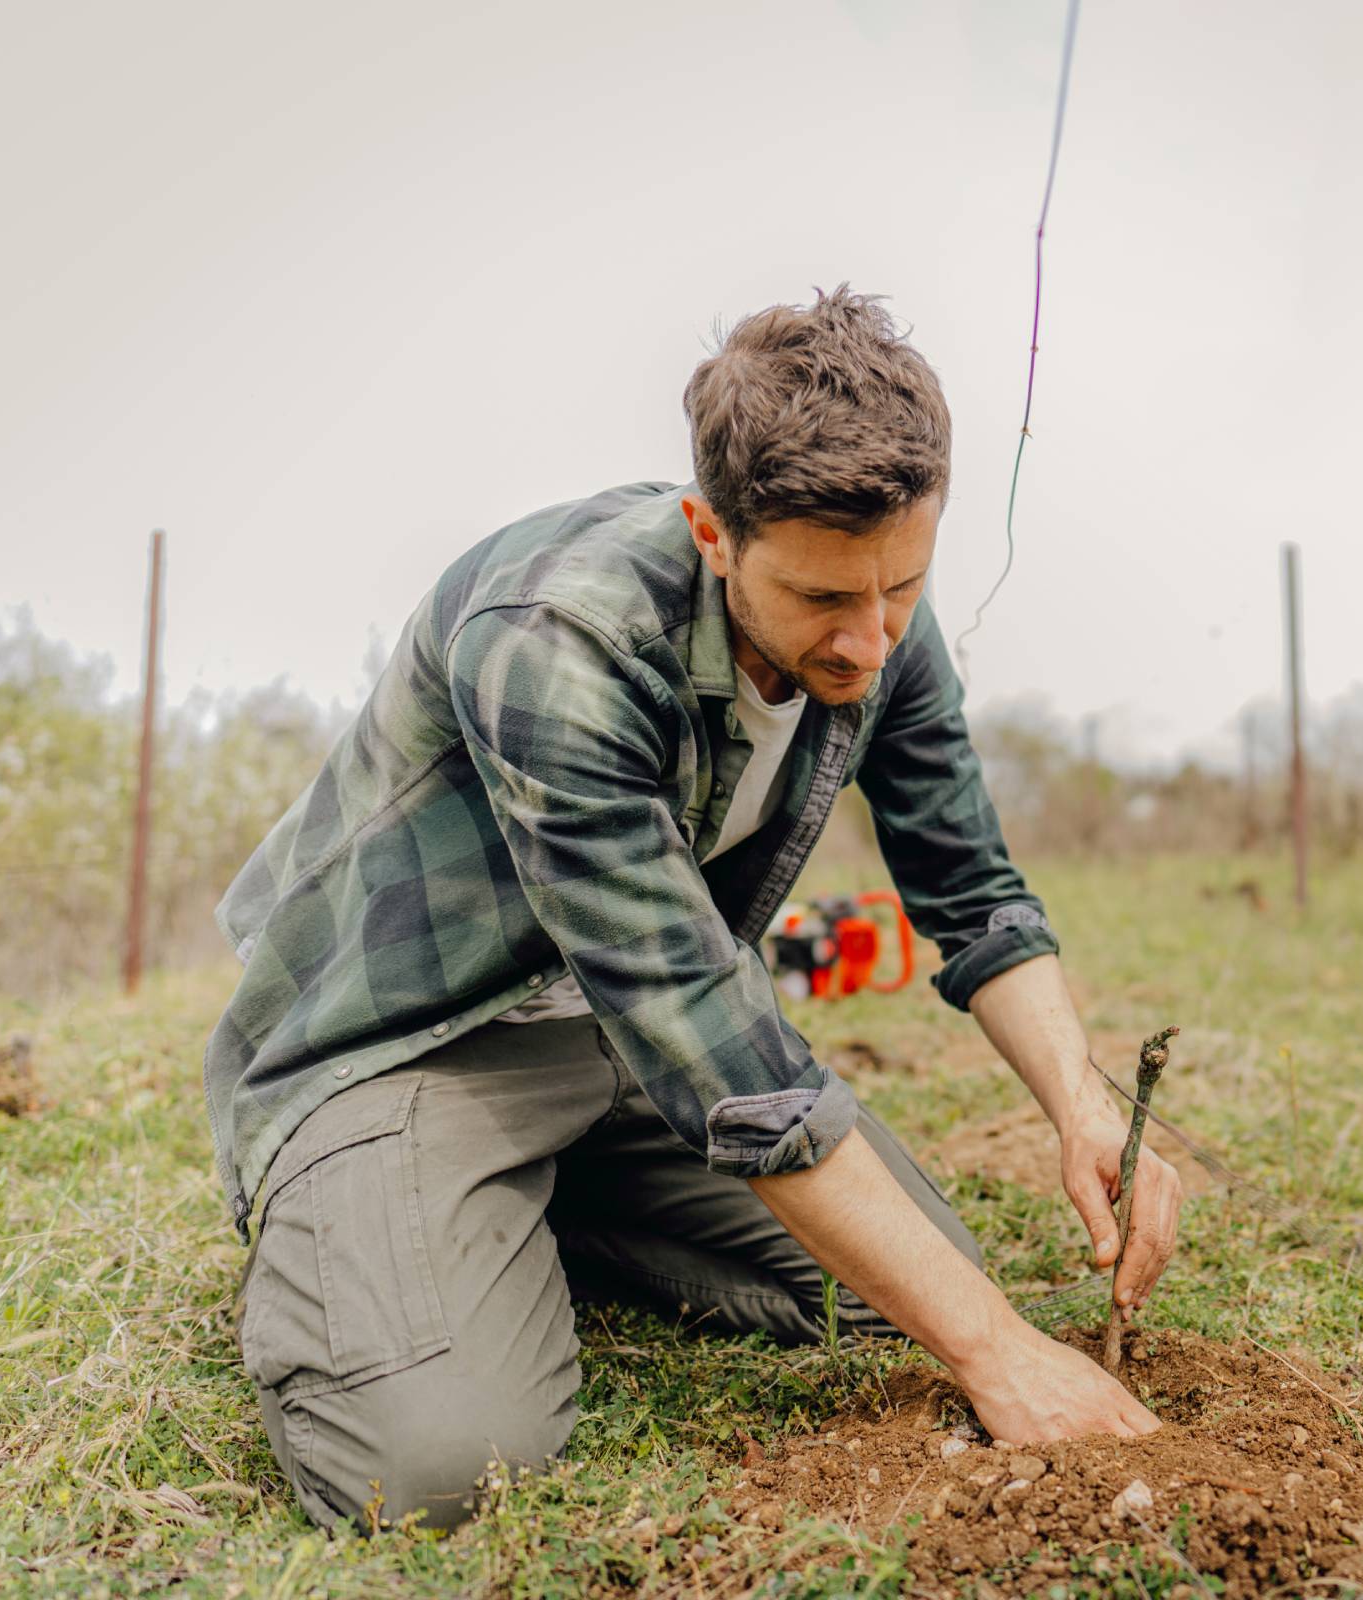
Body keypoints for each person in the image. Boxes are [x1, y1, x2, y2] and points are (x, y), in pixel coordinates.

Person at [206, 286, 1185, 1534]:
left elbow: (973, 891)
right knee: (437, 1466)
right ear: (710, 534)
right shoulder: (557, 636)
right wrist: (996, 1352)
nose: (869, 640)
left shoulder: (879, 613)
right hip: (410, 1041)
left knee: (891, 1291)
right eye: (825, 599)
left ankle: (521, 1218)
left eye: (902, 585)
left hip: (619, 1049)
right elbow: (709, 1037)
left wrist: (1079, 1102)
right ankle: (365, 1234)